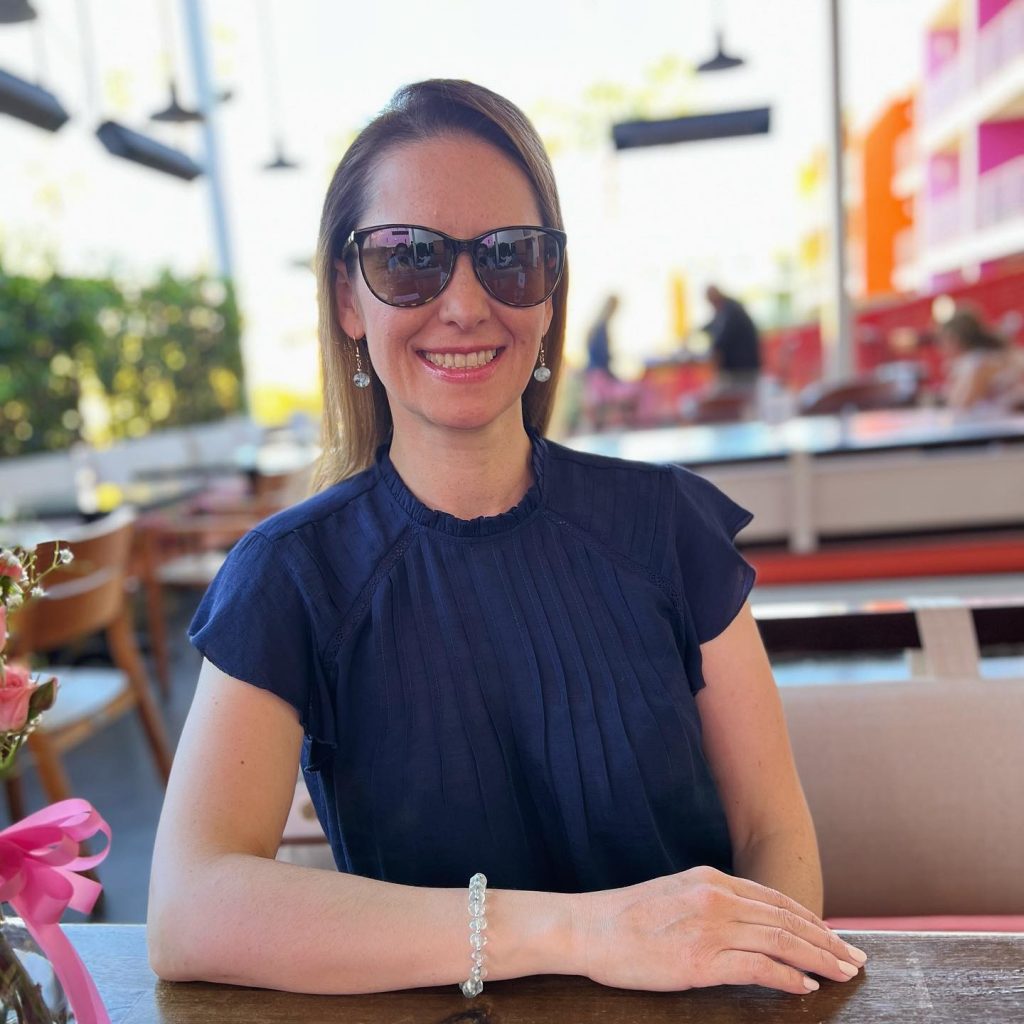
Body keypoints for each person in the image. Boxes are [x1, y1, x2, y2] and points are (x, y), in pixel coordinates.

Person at [148, 79, 865, 998]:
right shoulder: (291, 578)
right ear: (347, 300)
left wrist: (755, 994)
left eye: (509, 257)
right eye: (409, 259)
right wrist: (579, 931)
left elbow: (775, 831)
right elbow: (188, 907)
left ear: (550, 285)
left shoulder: (671, 527)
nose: (465, 302)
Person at [939, 307, 1024, 412]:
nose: (941, 347)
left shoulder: (981, 361)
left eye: (943, 340)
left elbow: (961, 403)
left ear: (955, 339)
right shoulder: (974, 360)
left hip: (1011, 423)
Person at [702, 285, 762, 390]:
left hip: (742, 367)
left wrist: (713, 350)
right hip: (740, 366)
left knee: (744, 396)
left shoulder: (731, 310)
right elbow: (712, 325)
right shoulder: (726, 309)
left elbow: (723, 336)